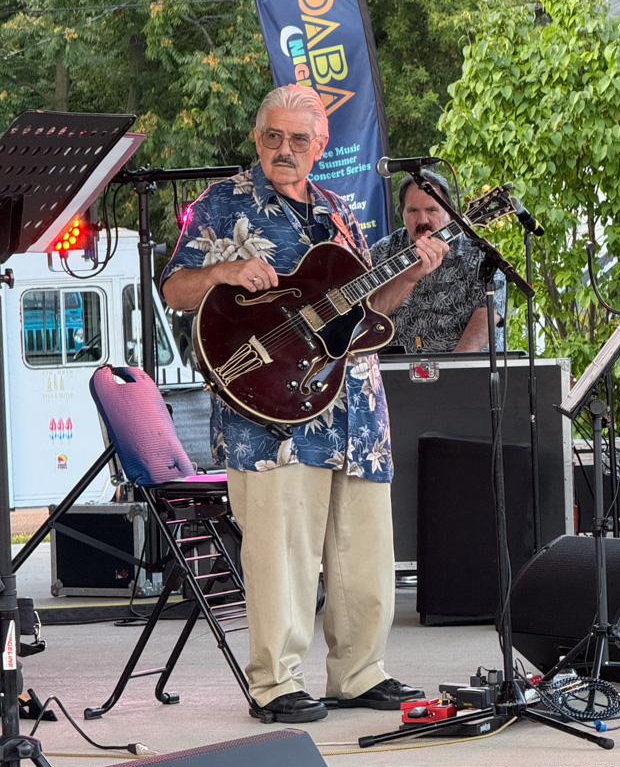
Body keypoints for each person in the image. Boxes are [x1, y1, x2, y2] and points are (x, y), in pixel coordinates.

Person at [161, 84, 448, 724]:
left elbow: (369, 309)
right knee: (282, 554)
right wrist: (224, 272)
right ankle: (276, 683)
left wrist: (412, 271)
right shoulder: (224, 202)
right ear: (256, 138)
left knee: (364, 553)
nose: (283, 149)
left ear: (321, 145)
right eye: (272, 136)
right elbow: (176, 289)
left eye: (297, 139)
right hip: (270, 413)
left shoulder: (339, 210)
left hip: (354, 410)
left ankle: (359, 673)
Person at [370, 173, 506, 353]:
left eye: (431, 210)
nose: (422, 220)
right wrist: (407, 278)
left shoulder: (479, 254)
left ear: (449, 214)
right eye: (413, 211)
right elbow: (366, 316)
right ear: (402, 214)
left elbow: (488, 315)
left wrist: (455, 366)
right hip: (391, 367)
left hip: (460, 365)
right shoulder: (383, 252)